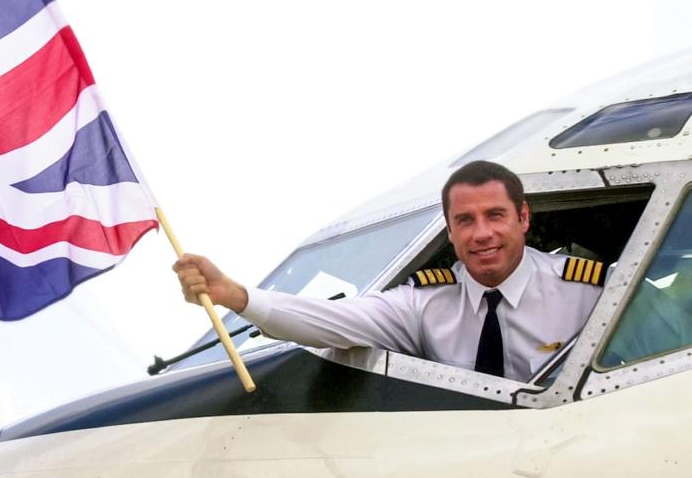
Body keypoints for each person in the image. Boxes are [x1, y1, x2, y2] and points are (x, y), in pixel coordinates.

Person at [173, 160, 604, 382]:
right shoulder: (426, 302)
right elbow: (335, 321)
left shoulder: (587, 291)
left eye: (495, 215)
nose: (482, 234)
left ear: (523, 217)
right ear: (450, 231)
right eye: (465, 221)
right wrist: (237, 296)